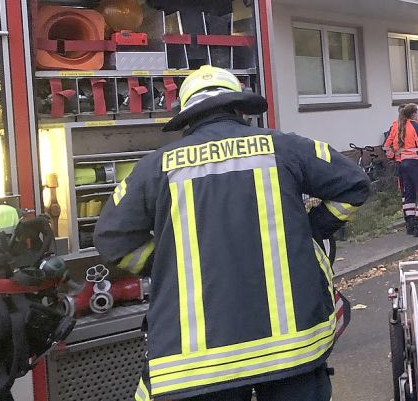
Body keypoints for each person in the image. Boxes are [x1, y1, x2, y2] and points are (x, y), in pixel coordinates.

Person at [94, 65, 371, 401]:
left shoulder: (155, 167)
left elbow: (111, 239)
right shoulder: (283, 147)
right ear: (240, 108)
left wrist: (172, 263)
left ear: (187, 117)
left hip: (195, 365)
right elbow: (354, 185)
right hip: (294, 349)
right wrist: (311, 229)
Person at [383, 104, 418, 236]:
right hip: (416, 163)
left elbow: (390, 146)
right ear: (414, 113)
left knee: (408, 195)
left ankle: (410, 224)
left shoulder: (399, 126)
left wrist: (393, 156)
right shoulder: (416, 126)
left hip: (403, 163)